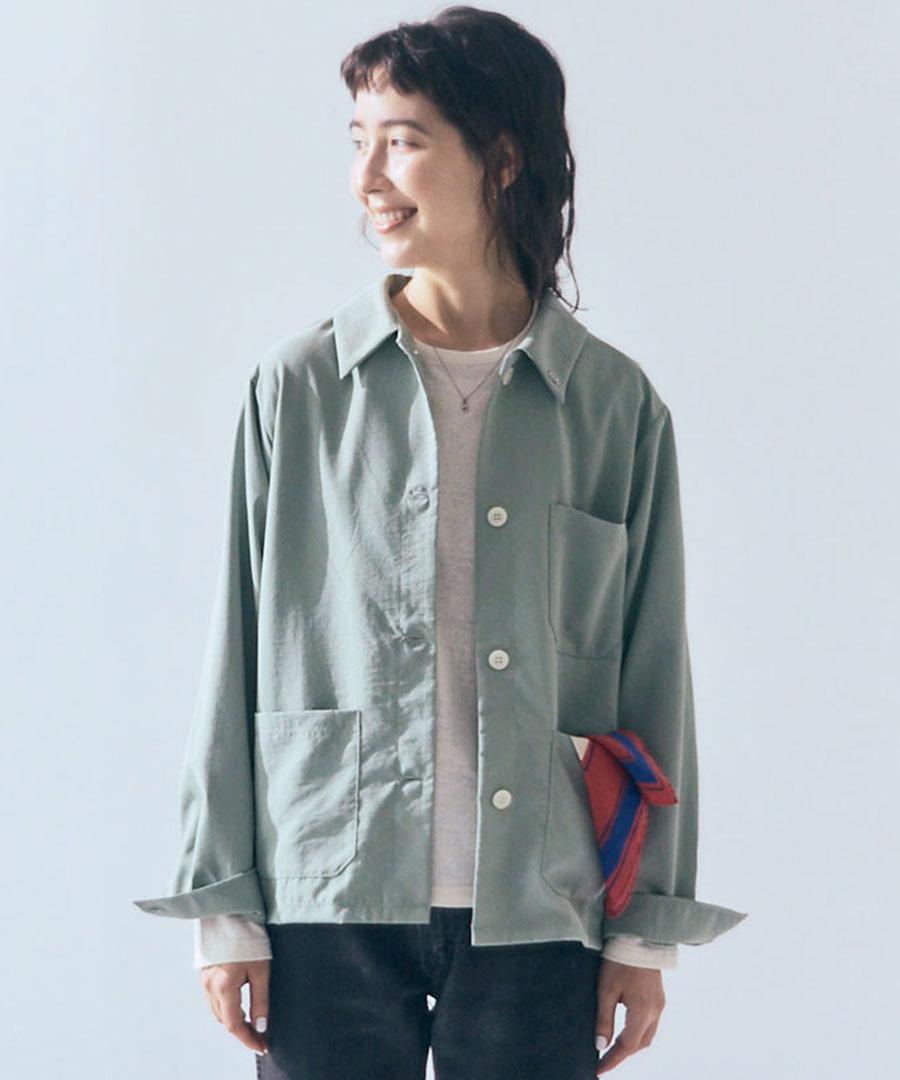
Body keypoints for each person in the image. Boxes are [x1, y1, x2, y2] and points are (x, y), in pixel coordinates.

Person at [132, 7, 747, 1078]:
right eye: (357, 141)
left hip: (542, 901)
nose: (367, 177)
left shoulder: (611, 407)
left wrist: (646, 933)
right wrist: (223, 910)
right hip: (326, 887)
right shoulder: (299, 390)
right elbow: (238, 648)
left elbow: (654, 673)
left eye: (403, 140)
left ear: (501, 159)